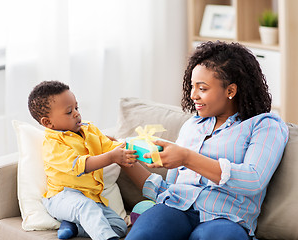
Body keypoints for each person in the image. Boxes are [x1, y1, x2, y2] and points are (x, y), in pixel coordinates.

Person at [123, 41, 289, 240]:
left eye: (202, 88)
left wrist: (186, 158)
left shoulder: (264, 125)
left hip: (226, 218)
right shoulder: (192, 126)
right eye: (192, 86)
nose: (193, 95)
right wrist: (123, 158)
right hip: (176, 207)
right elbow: (168, 189)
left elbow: (253, 180)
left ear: (230, 91)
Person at [28, 80, 137, 240]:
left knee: (119, 226)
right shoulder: (53, 144)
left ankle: (73, 226)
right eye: (69, 111)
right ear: (47, 122)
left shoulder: (89, 130)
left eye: (76, 108)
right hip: (62, 198)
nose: (76, 113)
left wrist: (127, 146)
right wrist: (112, 157)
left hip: (91, 198)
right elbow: (81, 165)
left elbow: (109, 146)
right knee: (85, 208)